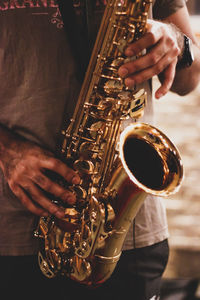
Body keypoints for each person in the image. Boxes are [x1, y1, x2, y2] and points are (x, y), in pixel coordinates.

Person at [0, 1, 199, 300]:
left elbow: (190, 77)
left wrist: (176, 41)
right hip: (14, 229)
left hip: (128, 234)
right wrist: (7, 150)